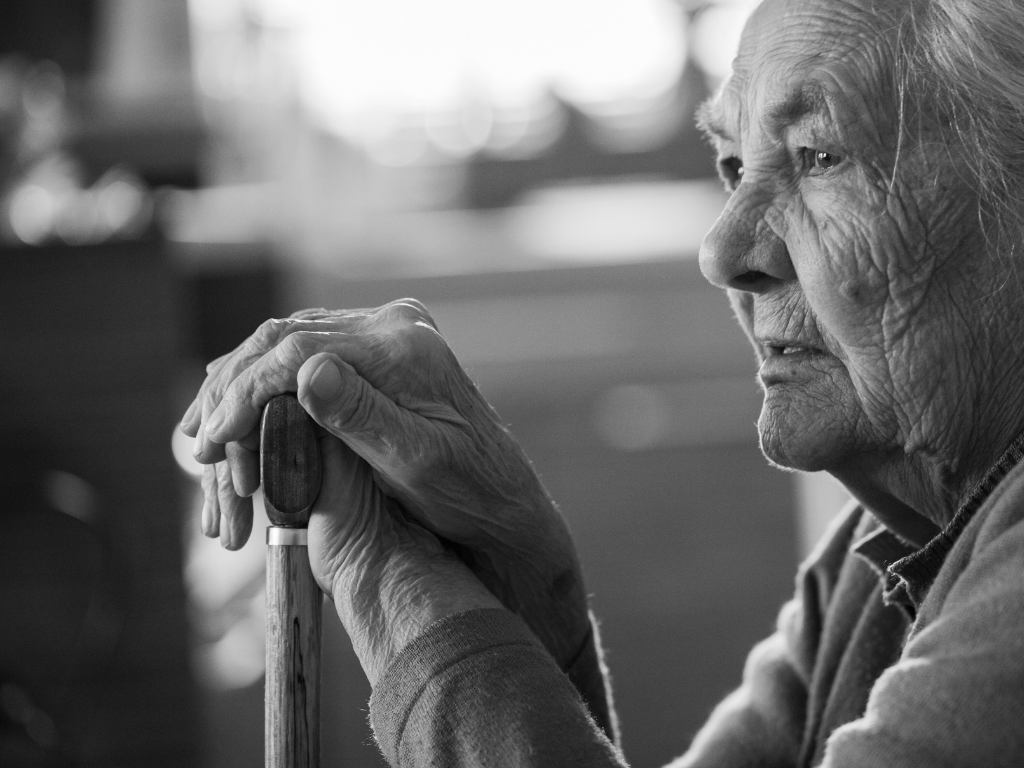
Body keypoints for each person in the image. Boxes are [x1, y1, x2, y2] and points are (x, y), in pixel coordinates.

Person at [180, 0, 1024, 763]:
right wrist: (521, 568)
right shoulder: (876, 554)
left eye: (820, 156)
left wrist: (391, 579)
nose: (723, 252)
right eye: (733, 167)